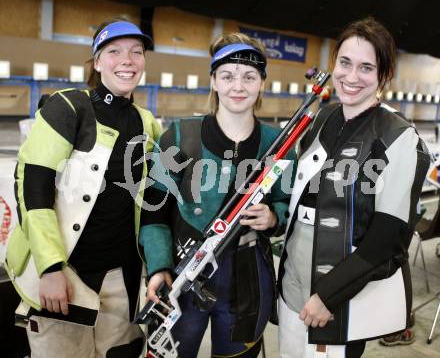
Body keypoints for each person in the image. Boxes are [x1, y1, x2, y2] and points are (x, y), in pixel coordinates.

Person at [5, 19, 162, 358]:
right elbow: (32, 187)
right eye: (115, 51)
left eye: (137, 52)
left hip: (123, 279)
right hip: (66, 275)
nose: (128, 60)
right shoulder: (69, 107)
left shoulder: (147, 122)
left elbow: (156, 198)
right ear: (98, 61)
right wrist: (50, 267)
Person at [278, 18, 430, 358]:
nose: (351, 76)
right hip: (291, 287)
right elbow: (302, 196)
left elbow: (387, 241)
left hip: (339, 301)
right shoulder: (323, 118)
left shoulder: (399, 138)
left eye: (366, 67)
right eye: (344, 63)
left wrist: (327, 295)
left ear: (384, 75)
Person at [140, 33, 296, 358]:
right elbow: (154, 212)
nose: (238, 86)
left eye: (249, 77)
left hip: (248, 277)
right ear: (213, 80)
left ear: (262, 83)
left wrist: (273, 217)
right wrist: (158, 267)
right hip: (185, 271)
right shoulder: (180, 135)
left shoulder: (278, 144)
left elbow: (286, 205)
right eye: (227, 76)